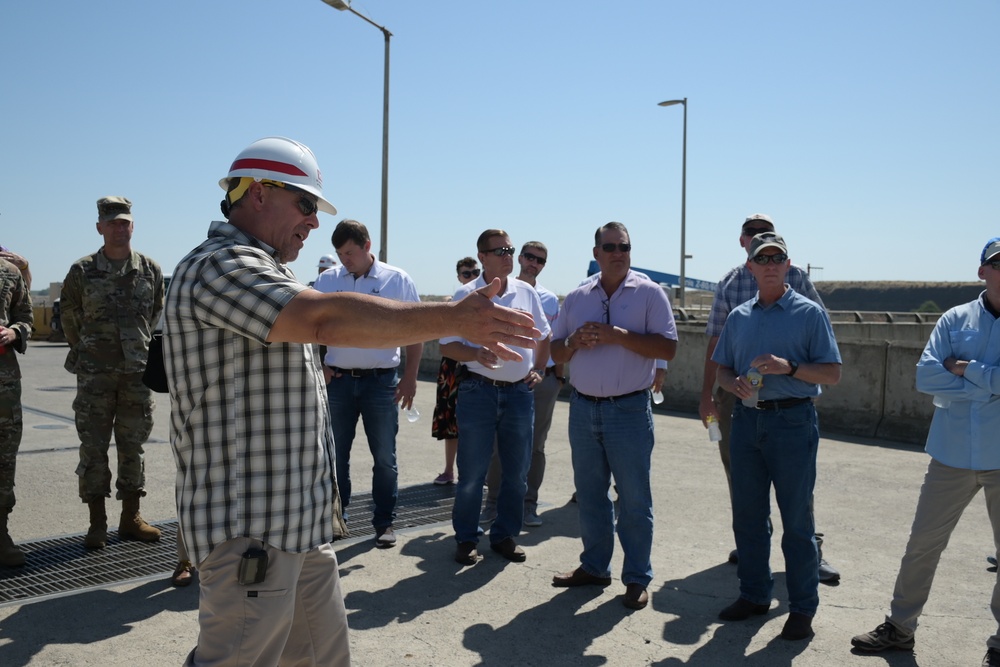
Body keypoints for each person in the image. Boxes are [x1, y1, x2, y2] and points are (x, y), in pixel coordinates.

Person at [164, 136, 538, 666]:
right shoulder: (219, 267)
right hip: (250, 530)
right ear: (259, 194)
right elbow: (325, 318)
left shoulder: (262, 270)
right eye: (307, 204)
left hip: (295, 529)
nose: (314, 222)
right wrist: (453, 318)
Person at [851, 237, 1000, 666]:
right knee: (922, 545)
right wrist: (990, 386)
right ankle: (900, 628)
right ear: (981, 272)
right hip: (950, 455)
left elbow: (948, 374)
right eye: (998, 263)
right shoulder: (955, 319)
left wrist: (967, 369)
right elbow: (925, 376)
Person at [712, 232, 842, 641]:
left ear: (788, 266)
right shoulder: (739, 317)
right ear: (750, 267)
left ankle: (802, 609)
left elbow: (832, 373)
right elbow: (721, 370)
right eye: (761, 258)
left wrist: (789, 367)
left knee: (797, 522)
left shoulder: (809, 314)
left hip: (792, 422)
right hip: (747, 423)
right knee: (748, 518)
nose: (769, 264)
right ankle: (754, 595)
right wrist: (733, 385)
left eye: (777, 258)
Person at [550, 222, 677, 611]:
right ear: (596, 253)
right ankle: (594, 567)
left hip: (629, 410)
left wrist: (617, 335)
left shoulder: (650, 293)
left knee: (635, 499)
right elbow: (555, 352)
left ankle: (637, 577)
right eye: (610, 246)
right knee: (590, 495)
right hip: (584, 407)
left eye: (624, 246)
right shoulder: (575, 297)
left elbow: (668, 348)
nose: (618, 252)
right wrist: (573, 343)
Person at [441, 229, 550, 566]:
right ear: (483, 256)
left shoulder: (526, 292)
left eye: (510, 249)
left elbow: (544, 335)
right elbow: (447, 345)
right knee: (472, 472)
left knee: (517, 471)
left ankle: (504, 535)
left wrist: (540, 370)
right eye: (499, 250)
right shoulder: (466, 294)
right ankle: (466, 538)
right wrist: (475, 355)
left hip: (519, 394)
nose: (507, 255)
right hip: (478, 392)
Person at [61, 196, 164, 549]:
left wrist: (137, 347)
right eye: (113, 222)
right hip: (95, 374)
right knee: (93, 448)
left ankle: (130, 518)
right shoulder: (82, 271)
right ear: (100, 227)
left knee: (132, 447)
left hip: (136, 374)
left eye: (125, 222)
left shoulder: (149, 269)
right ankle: (97, 523)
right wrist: (88, 348)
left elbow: (155, 316)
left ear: (132, 226)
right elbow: (69, 316)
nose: (120, 228)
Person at [313, 219, 422, 548]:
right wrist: (321, 367)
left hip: (382, 383)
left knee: (385, 458)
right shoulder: (327, 281)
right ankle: (338, 519)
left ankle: (384, 522)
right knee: (335, 458)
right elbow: (306, 329)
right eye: (339, 254)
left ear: (367, 247)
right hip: (339, 384)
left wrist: (411, 378)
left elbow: (418, 331)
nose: (344, 259)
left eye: (349, 252)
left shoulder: (397, 280)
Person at [483, 241, 564, 527]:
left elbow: (554, 339)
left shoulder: (550, 299)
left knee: (535, 446)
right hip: (503, 380)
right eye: (529, 257)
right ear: (519, 258)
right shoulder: (502, 291)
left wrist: (553, 376)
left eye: (540, 260)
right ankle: (493, 503)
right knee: (496, 446)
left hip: (539, 382)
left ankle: (528, 505)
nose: (534, 263)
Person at [431, 257, 480, 486]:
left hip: (475, 368)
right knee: (450, 421)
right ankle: (449, 470)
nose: (471, 276)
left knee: (480, 423)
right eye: (466, 273)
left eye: (475, 272)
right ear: (459, 277)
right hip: (452, 367)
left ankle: (481, 473)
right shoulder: (453, 301)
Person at [0, 256, 33, 566]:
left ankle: (1, 535)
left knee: (4, 459)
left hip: (5, 383)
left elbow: (25, 315)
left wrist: (14, 332)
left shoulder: (9, 272)